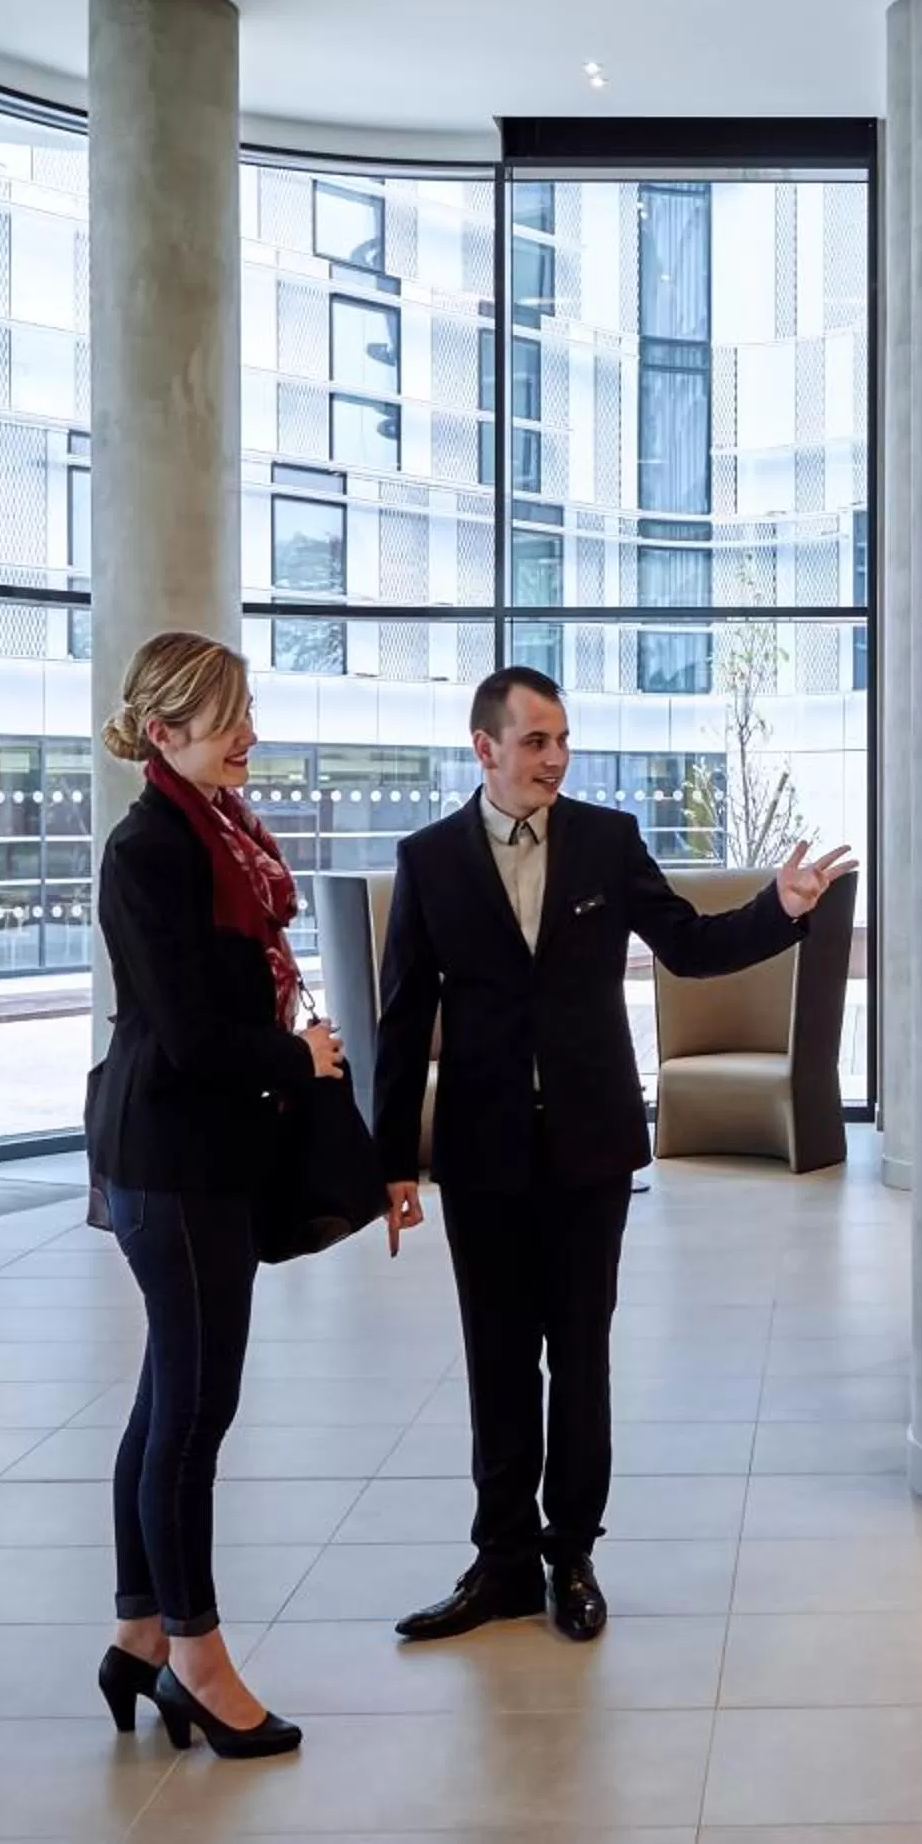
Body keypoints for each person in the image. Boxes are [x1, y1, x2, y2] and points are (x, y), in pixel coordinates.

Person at [376, 665, 854, 1645]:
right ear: (485, 748)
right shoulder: (429, 860)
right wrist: (391, 1161)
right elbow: (401, 1020)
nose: (555, 757)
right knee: (498, 1360)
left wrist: (783, 906)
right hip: (482, 1152)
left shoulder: (607, 838)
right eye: (536, 740)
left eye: (562, 739)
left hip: (588, 1146)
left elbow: (688, 943)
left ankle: (572, 1554)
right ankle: (501, 1560)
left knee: (580, 1353)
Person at [86, 631, 423, 1759]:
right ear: (166, 729)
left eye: (246, 712)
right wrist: (305, 1060)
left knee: (164, 1400)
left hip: (193, 1155)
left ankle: (140, 1627)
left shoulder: (214, 834)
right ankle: (197, 1655)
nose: (249, 734)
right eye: (227, 717)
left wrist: (291, 1049)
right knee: (193, 1411)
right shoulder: (153, 849)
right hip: (172, 1158)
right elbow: (187, 1034)